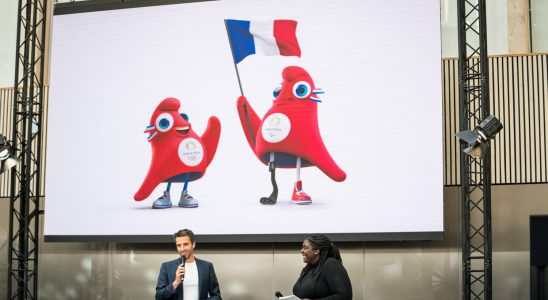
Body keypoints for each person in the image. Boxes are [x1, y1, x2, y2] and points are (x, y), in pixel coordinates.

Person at [155, 229, 222, 300]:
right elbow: (159, 297)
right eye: (179, 245)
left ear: (193, 244)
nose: (182, 249)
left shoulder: (207, 267)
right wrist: (176, 282)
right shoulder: (167, 267)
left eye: (185, 244)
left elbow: (217, 297)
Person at [292, 234, 352, 300]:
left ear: (316, 251)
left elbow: (344, 296)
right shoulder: (308, 268)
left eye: (305, 247)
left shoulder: (331, 264)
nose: (301, 250)